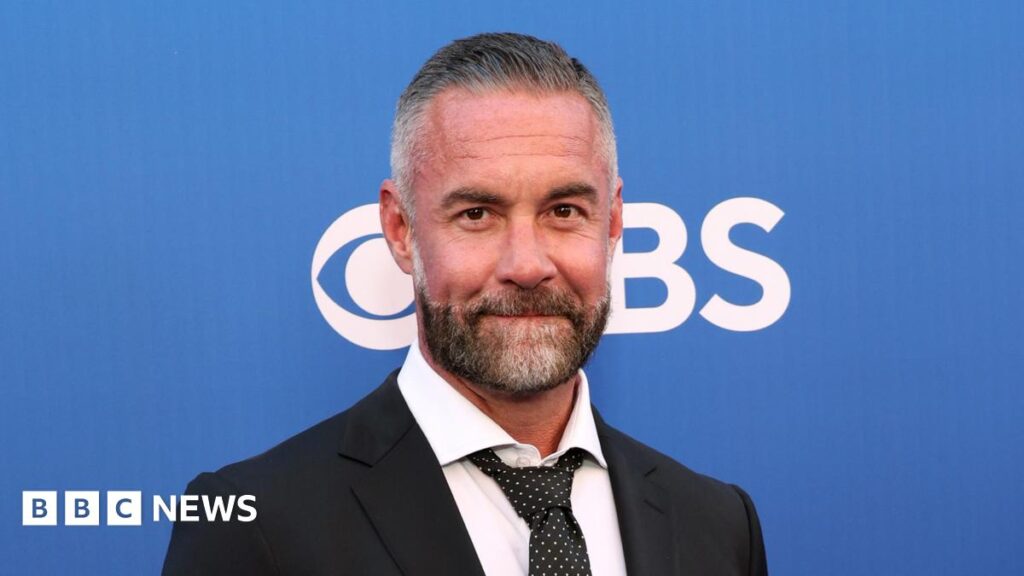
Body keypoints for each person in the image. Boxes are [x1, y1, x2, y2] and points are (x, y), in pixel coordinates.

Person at [163, 32, 768, 576]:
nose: (527, 265)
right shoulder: (254, 526)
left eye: (564, 211)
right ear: (401, 229)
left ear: (612, 224)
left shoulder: (717, 525)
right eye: (477, 214)